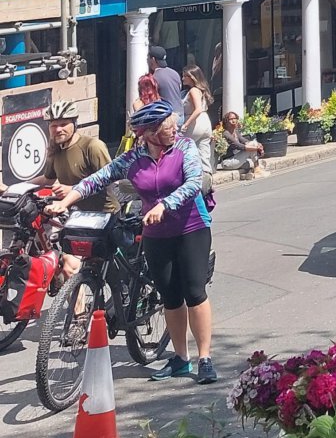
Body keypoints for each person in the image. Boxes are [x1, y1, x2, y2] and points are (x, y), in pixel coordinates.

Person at [50, 100, 218, 384]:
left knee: (194, 291)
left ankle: (204, 358)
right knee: (170, 295)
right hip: (156, 234)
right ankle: (180, 358)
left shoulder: (184, 147)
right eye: (168, 126)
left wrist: (164, 205)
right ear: (149, 133)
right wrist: (64, 201)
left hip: (191, 228)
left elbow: (193, 184)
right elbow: (97, 179)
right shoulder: (133, 158)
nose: (174, 128)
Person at [41, 104, 111, 190]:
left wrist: (73, 190)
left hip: (101, 203)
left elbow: (109, 180)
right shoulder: (55, 149)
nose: (58, 130)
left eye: (63, 124)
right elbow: (47, 180)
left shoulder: (92, 146)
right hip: (72, 203)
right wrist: (22, 187)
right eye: (54, 126)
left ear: (75, 125)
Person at [180, 64, 215, 161]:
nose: (182, 79)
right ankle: (206, 174)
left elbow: (198, 109)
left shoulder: (193, 91)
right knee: (204, 154)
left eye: (185, 76)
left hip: (195, 123)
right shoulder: (200, 90)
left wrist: (186, 124)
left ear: (192, 77)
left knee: (185, 150)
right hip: (205, 122)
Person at [216, 109, 265, 178]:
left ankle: (248, 174)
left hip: (237, 159)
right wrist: (256, 148)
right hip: (228, 162)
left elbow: (244, 141)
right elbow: (239, 146)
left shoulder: (235, 132)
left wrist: (258, 145)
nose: (234, 121)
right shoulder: (226, 133)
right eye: (231, 119)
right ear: (226, 122)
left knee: (252, 148)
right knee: (251, 147)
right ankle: (257, 169)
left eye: (235, 118)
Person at [147, 45, 185, 121]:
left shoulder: (154, 77)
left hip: (168, 117)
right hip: (180, 115)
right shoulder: (174, 73)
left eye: (148, 58)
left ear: (153, 59)